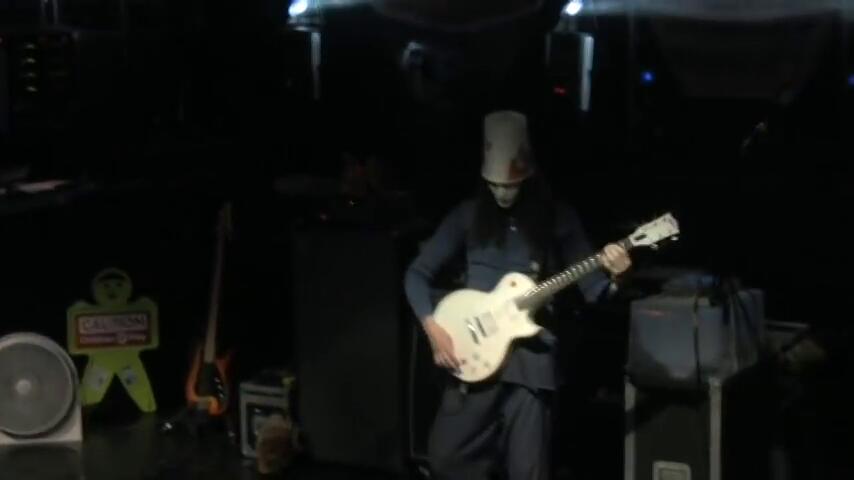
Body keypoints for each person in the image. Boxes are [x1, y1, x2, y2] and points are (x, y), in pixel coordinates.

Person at [403, 110, 632, 480]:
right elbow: (417, 274)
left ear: (529, 176)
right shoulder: (467, 215)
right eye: (493, 185)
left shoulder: (557, 218)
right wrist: (433, 328)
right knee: (446, 458)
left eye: (509, 185)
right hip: (473, 357)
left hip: (531, 364)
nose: (501, 193)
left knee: (529, 471)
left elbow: (595, 292)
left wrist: (618, 276)